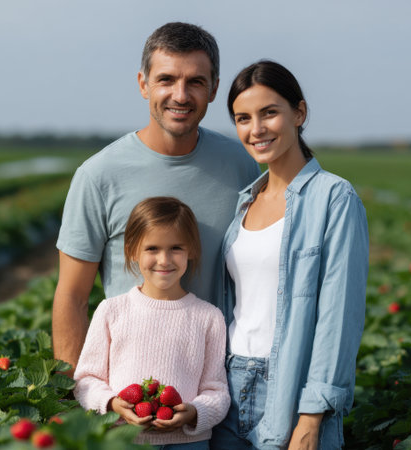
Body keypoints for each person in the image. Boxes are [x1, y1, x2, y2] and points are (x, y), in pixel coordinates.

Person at [53, 22, 260, 376]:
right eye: (166, 79)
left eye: (195, 81)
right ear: (143, 84)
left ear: (213, 89)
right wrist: (73, 396)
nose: (180, 95)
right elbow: (72, 297)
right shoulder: (99, 175)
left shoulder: (242, 166)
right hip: (131, 389)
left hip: (225, 385)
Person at [210, 60, 369, 450]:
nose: (256, 129)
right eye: (243, 118)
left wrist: (312, 414)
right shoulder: (244, 203)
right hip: (228, 387)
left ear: (299, 113)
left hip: (290, 391)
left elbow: (339, 317)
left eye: (269, 113)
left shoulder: (334, 198)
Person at [73, 197, 230, 449]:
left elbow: (217, 391)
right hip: (122, 439)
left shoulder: (208, 317)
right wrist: (113, 404)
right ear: (132, 251)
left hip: (188, 443)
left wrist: (193, 412)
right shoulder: (112, 311)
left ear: (192, 250)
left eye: (176, 248)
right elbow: (86, 380)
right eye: (152, 248)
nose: (164, 259)